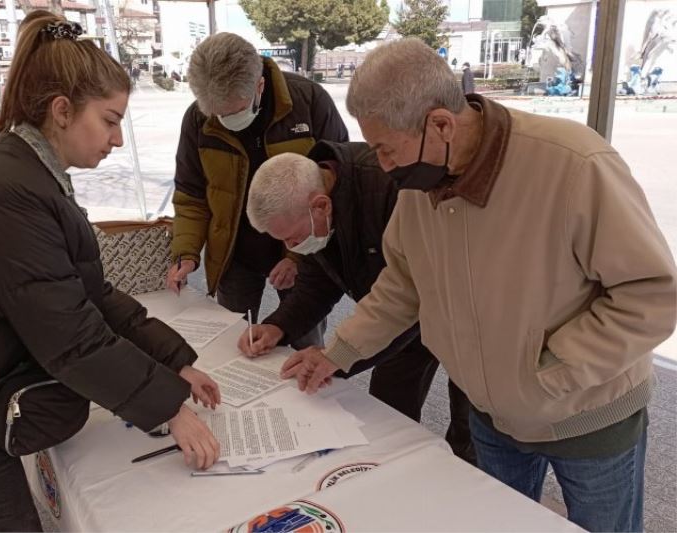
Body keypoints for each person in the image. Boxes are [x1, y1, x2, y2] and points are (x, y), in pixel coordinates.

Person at [280, 38, 677, 533]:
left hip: (587, 418)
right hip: (491, 418)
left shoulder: (574, 164)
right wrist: (337, 352)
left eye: (387, 149)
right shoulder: (420, 187)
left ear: (442, 124)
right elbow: (403, 283)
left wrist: (551, 369)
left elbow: (652, 293)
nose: (381, 166)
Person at [0, 11, 221, 531]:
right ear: (62, 111)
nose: (116, 141)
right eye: (109, 120)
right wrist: (170, 407)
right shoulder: (7, 190)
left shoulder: (30, 174)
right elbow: (71, 336)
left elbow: (90, 294)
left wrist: (174, 359)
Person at [239, 145, 475, 463]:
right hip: (389, 320)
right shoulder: (315, 205)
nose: (290, 247)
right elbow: (316, 284)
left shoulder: (390, 190)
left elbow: (409, 296)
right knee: (388, 414)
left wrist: (339, 353)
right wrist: (277, 325)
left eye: (292, 238)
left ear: (320, 206)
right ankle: (398, 473)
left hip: (464, 315)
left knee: (473, 422)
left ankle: (467, 478)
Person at [166, 32, 348, 348]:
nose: (225, 120)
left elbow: (338, 185)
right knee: (232, 340)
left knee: (305, 338)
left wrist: (297, 256)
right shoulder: (198, 118)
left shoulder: (309, 101)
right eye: (218, 114)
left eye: (234, 111)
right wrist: (186, 253)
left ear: (259, 86)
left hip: (303, 250)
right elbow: (191, 194)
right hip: (235, 254)